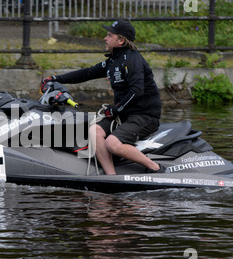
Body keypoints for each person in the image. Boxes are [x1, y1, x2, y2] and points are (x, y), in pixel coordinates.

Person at [40, 19, 165, 175]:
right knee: (95, 131)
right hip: (124, 114)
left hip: (144, 116)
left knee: (112, 143)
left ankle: (156, 168)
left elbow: (137, 90)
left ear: (120, 40)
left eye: (109, 35)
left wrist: (116, 108)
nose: (105, 38)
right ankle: (110, 176)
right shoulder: (113, 61)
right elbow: (87, 73)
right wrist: (56, 78)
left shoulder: (133, 60)